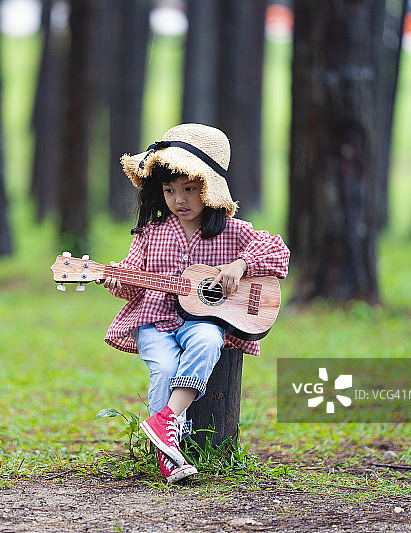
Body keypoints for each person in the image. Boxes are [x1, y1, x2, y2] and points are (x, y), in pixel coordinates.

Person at [100, 123, 290, 483]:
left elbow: (277, 250)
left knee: (207, 339)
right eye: (170, 191)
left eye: (189, 189)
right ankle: (169, 455)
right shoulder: (151, 234)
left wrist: (240, 264)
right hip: (155, 321)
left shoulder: (233, 231)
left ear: (209, 189)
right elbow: (131, 283)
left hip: (202, 322)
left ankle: (165, 421)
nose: (179, 200)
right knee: (164, 368)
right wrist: (115, 279)